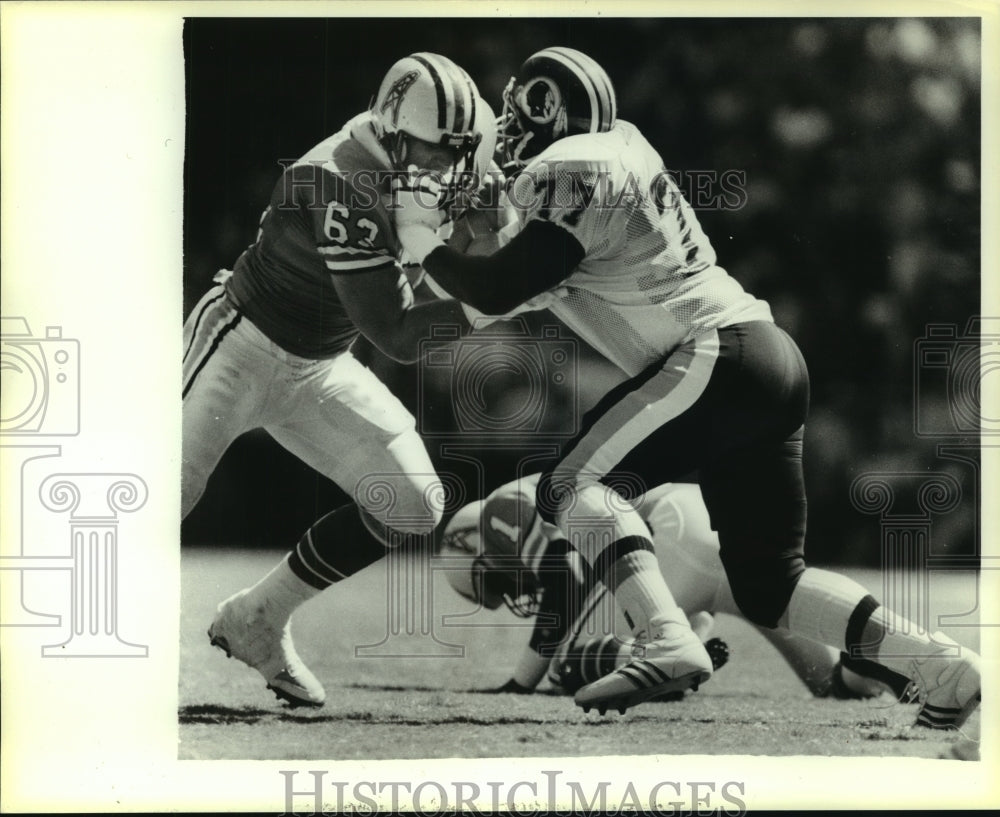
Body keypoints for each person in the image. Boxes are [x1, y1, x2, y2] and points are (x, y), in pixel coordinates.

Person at [391, 46, 981, 728]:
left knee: (568, 488)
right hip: (766, 357)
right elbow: (511, 277)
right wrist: (457, 229)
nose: (508, 131)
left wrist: (415, 235)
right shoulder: (609, 159)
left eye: (519, 113)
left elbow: (496, 284)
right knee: (771, 585)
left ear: (548, 110)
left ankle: (665, 638)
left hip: (715, 355)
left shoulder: (577, 165)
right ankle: (942, 664)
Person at [183, 52, 494, 707]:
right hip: (240, 343)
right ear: (391, 133)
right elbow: (399, 333)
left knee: (412, 502)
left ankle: (258, 619)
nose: (445, 171)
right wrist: (494, 294)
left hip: (317, 366)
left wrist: (497, 238)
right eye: (434, 155)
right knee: (155, 499)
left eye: (455, 156)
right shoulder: (338, 182)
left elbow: (482, 224)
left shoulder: (434, 160)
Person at [437, 474, 906, 702]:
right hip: (717, 518)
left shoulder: (502, 507)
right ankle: (866, 665)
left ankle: (664, 665)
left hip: (669, 537)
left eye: (497, 580)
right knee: (829, 683)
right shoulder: (530, 494)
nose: (514, 588)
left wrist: (521, 682)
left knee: (568, 664)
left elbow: (566, 577)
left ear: (473, 543)